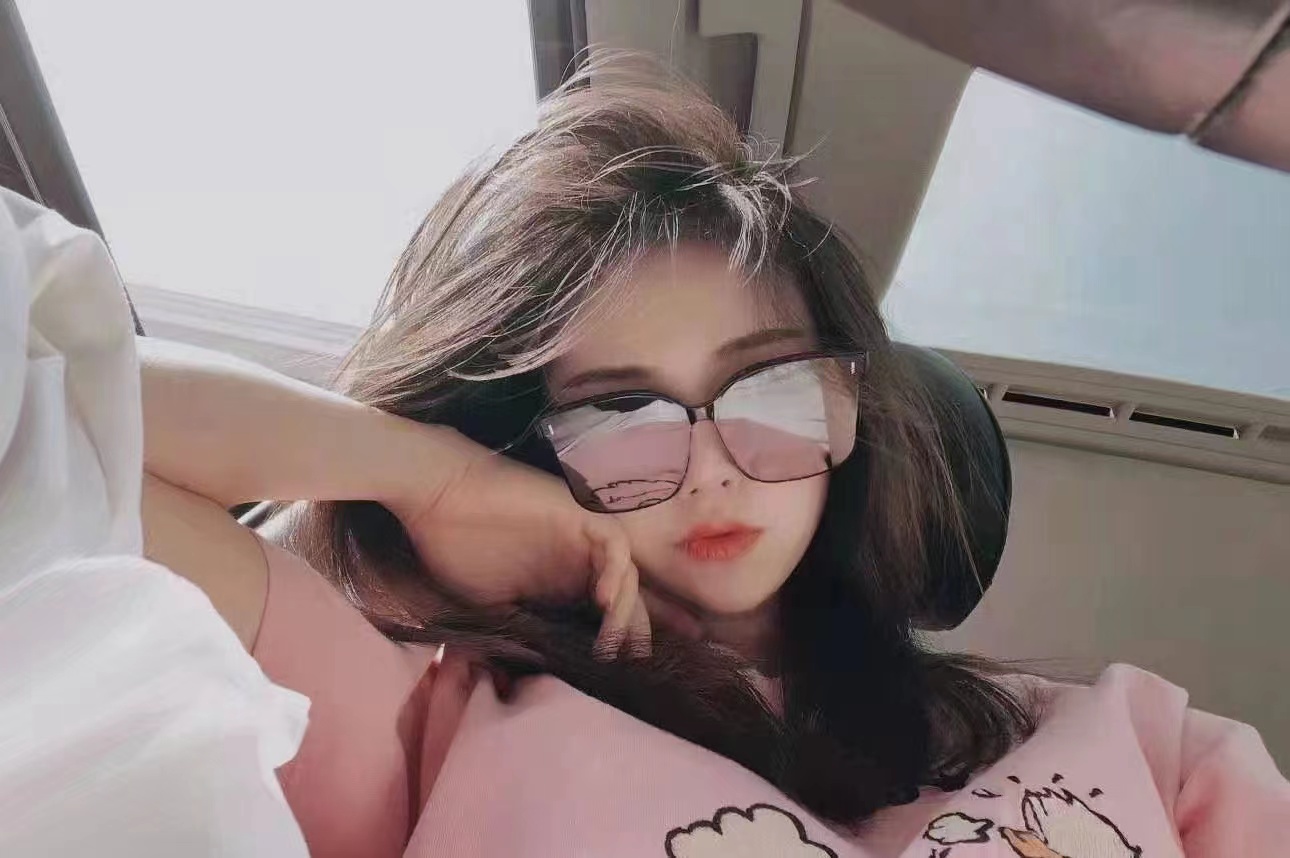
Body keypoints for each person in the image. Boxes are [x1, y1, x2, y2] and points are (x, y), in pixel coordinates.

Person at [140, 65, 1290, 858]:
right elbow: (74, 435)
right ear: (537, 448)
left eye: (771, 388)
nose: (711, 470)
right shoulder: (428, 725)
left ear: (849, 412)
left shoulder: (1138, 739)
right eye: (620, 413)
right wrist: (432, 478)